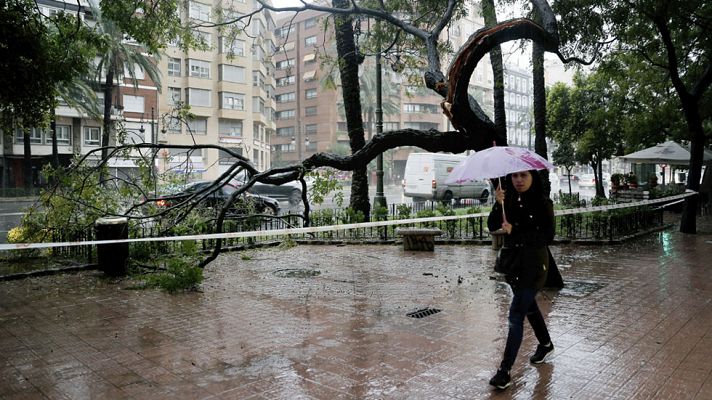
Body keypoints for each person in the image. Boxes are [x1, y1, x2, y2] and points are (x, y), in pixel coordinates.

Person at [487, 170, 555, 390]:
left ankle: (504, 371)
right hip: (513, 263)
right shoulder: (509, 200)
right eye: (515, 176)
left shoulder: (543, 203)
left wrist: (515, 229)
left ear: (532, 177)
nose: (518, 180)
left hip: (534, 265)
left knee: (516, 313)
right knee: (529, 306)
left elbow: (547, 236)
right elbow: (491, 225)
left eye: (523, 175)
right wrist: (498, 204)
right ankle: (545, 344)